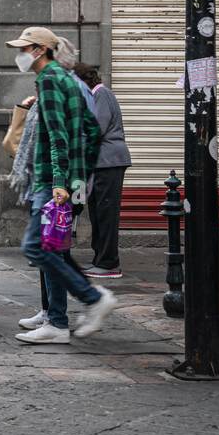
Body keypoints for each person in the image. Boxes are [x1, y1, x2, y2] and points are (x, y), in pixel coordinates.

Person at [8, 27, 117, 346]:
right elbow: (90, 131)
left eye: (24, 48)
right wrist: (79, 173)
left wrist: (61, 182)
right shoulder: (64, 79)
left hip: (51, 180)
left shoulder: (51, 79)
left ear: (40, 50)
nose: (20, 54)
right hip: (62, 177)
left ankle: (92, 298)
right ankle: (56, 319)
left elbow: (58, 136)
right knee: (53, 247)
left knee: (35, 246)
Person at [75, 62, 130, 280]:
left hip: (109, 162)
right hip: (101, 163)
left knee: (106, 214)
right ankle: (100, 259)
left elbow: (95, 130)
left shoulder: (101, 94)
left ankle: (109, 263)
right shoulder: (93, 97)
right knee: (98, 213)